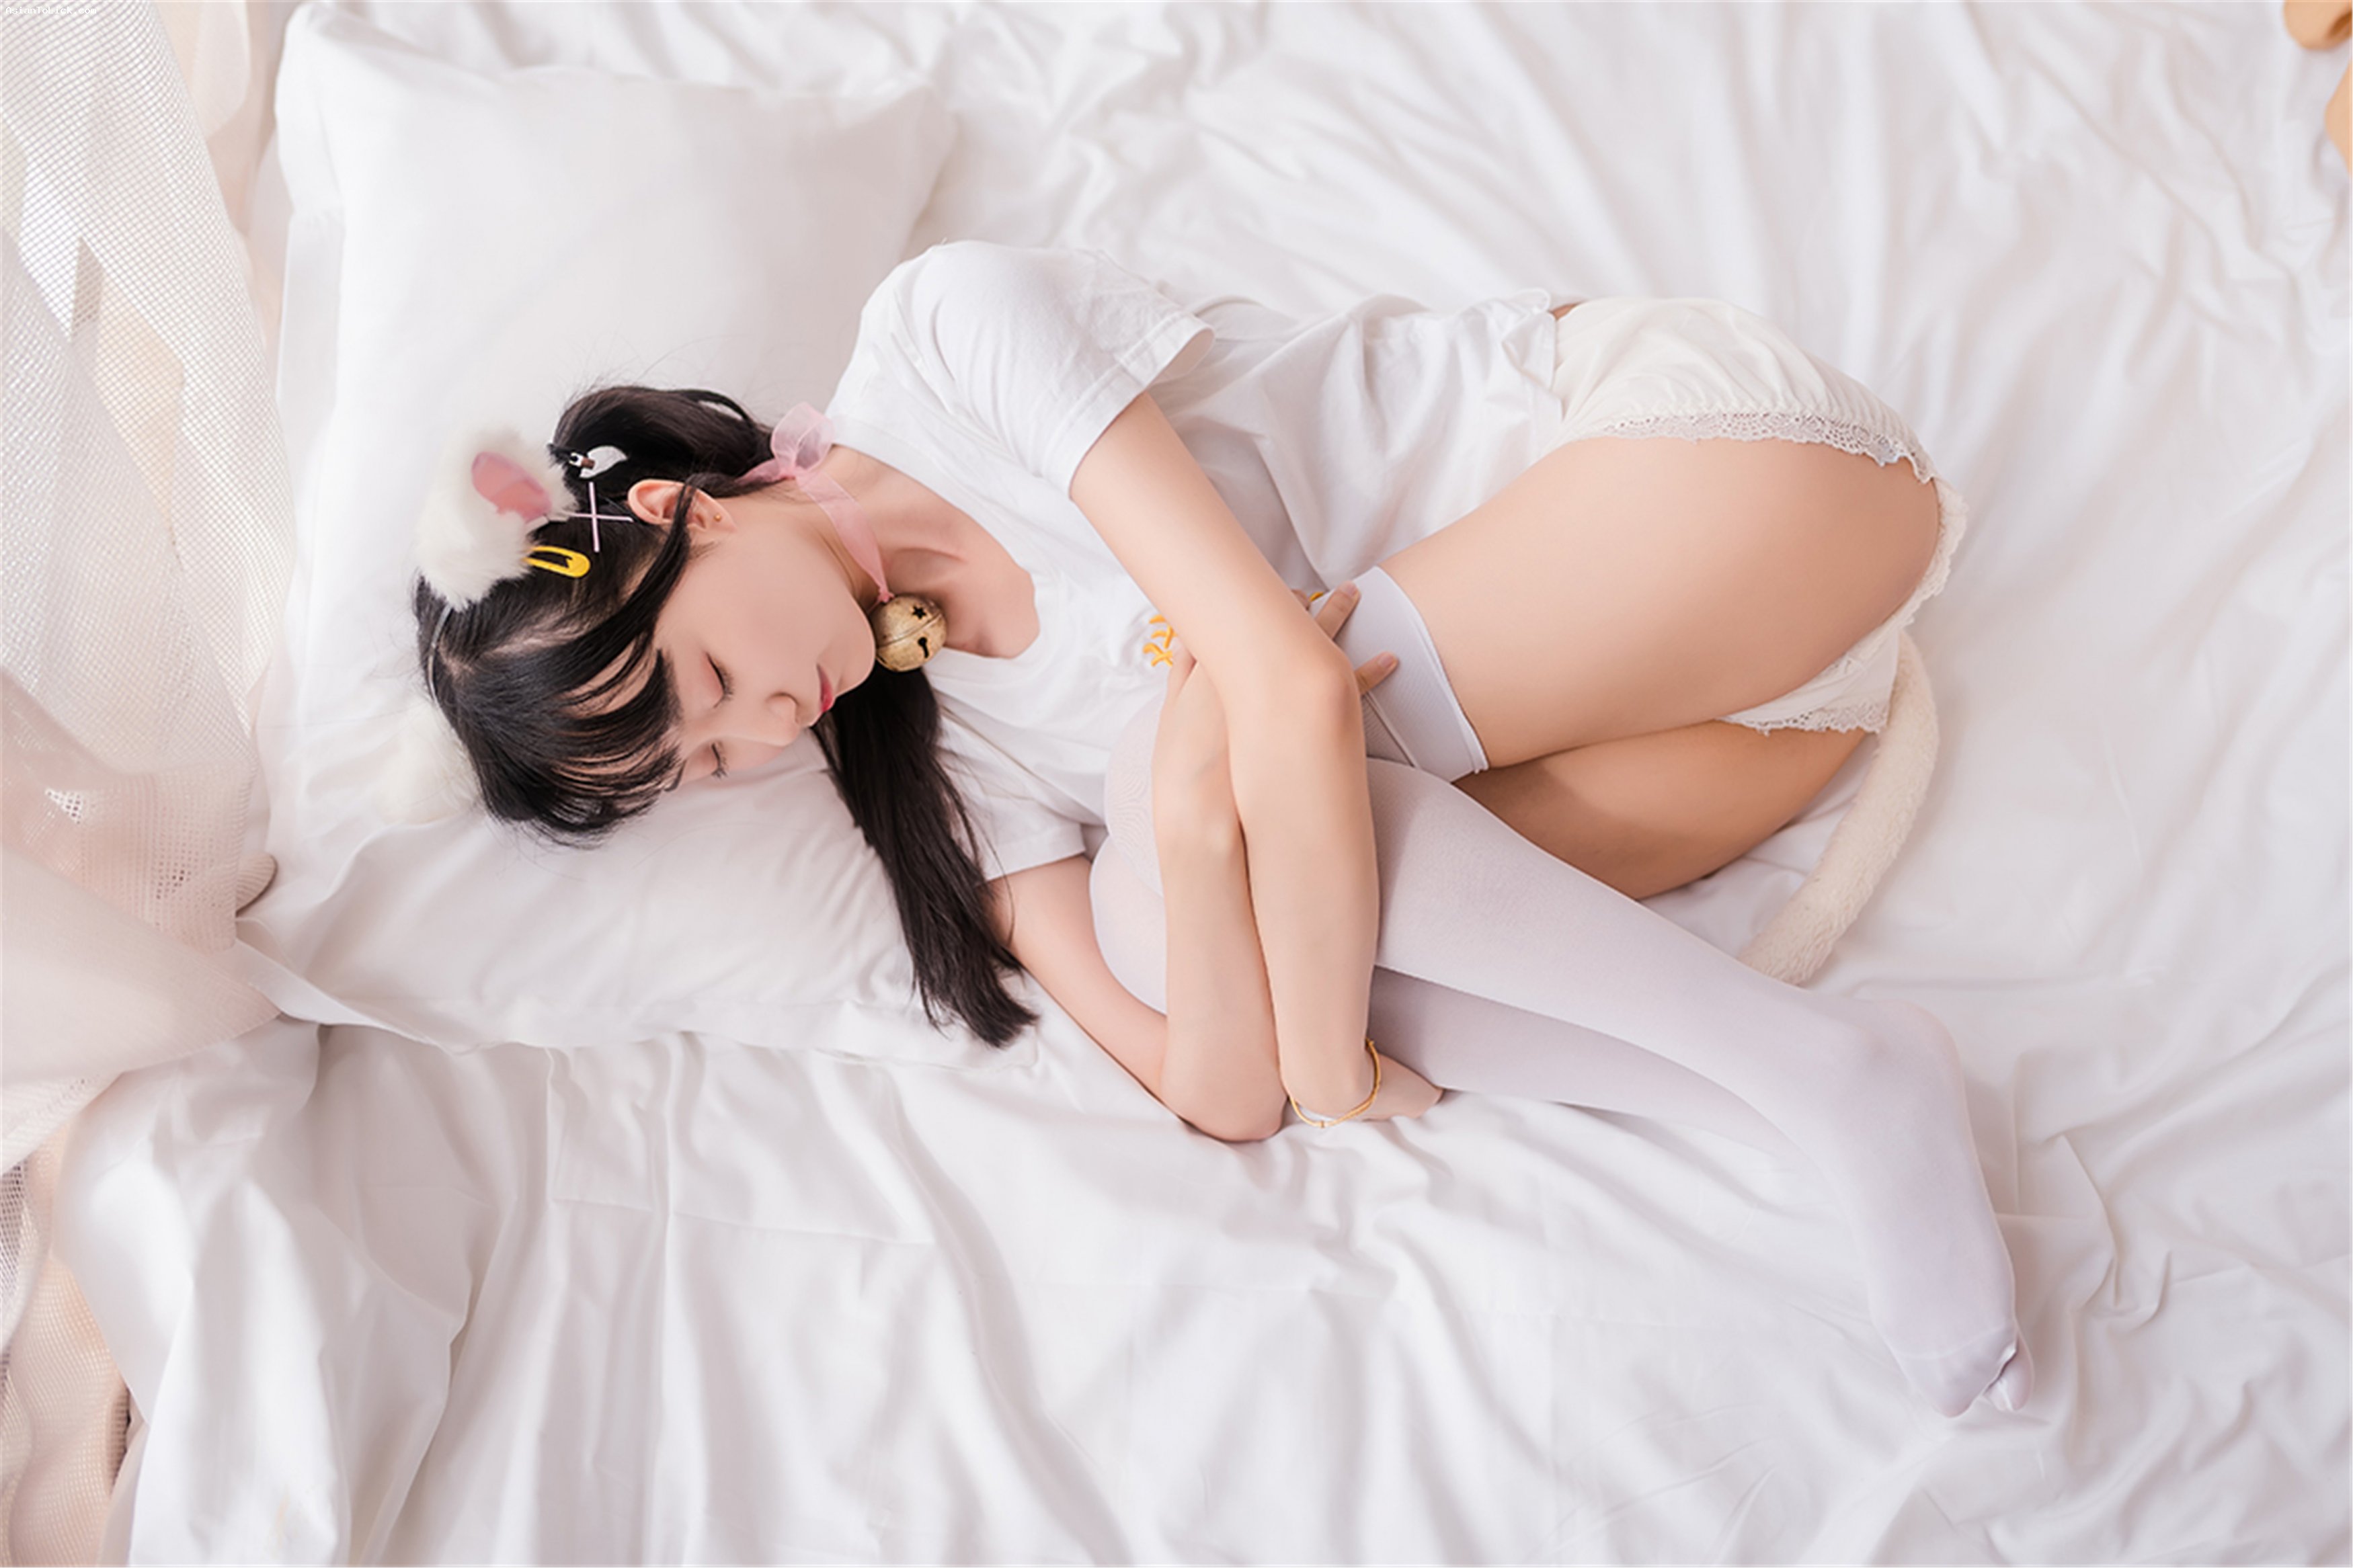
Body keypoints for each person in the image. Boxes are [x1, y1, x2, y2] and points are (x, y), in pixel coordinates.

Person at [409, 241, 2023, 1417]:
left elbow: (1295, 689)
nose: (765, 730)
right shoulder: (935, 762)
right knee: (1169, 903)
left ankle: (1826, 1080)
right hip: (1757, 737)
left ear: (679, 515)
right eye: (707, 766)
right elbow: (1207, 1086)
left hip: (1729, 495)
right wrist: (1183, 840)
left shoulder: (946, 336)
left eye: (706, 683)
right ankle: (1818, 1082)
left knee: (1240, 818)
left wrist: (1330, 1063)